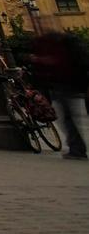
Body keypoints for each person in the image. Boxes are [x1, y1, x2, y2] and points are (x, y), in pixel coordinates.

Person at [28, 22, 89, 160]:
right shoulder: (63, 44)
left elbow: (53, 64)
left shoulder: (56, 47)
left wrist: (38, 61)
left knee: (67, 118)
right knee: (70, 118)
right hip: (68, 85)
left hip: (64, 85)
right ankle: (77, 148)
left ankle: (77, 149)